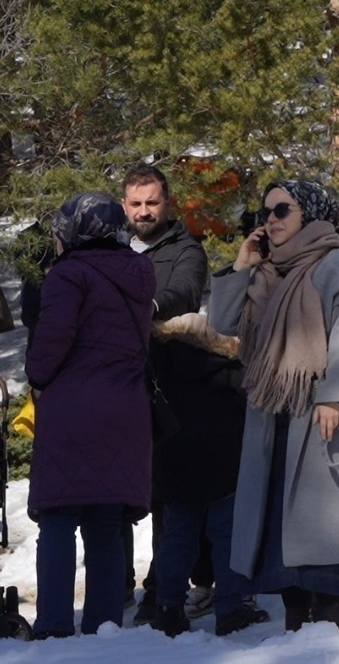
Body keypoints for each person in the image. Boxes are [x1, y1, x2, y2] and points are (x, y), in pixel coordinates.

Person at [208, 180, 339, 633]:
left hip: (317, 408)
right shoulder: (267, 271)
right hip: (272, 410)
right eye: (266, 213)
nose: (272, 220)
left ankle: (331, 615)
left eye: (283, 209)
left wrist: (335, 395)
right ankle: (297, 620)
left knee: (320, 518)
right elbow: (223, 323)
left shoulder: (336, 266)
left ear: (312, 215)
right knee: (280, 522)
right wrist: (242, 266)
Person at [26, 192, 155, 639]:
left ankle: (55, 626)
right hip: (127, 409)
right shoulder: (142, 272)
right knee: (105, 522)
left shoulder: (70, 275)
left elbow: (50, 346)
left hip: (74, 410)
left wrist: (36, 375)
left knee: (58, 518)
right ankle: (105, 629)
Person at [120, 163, 211, 627]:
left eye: (151, 202)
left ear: (167, 203)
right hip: (115, 385)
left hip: (168, 386)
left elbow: (185, 292)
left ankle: (162, 588)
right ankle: (116, 585)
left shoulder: (185, 249)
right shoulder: (113, 247)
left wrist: (144, 306)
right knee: (115, 490)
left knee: (165, 494)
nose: (143, 211)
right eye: (135, 204)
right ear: (123, 206)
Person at [146, 313, 269, 636]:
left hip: (174, 461)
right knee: (227, 536)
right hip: (223, 462)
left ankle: (167, 606)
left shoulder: (158, 363)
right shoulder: (228, 365)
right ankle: (230, 607)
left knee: (176, 537)